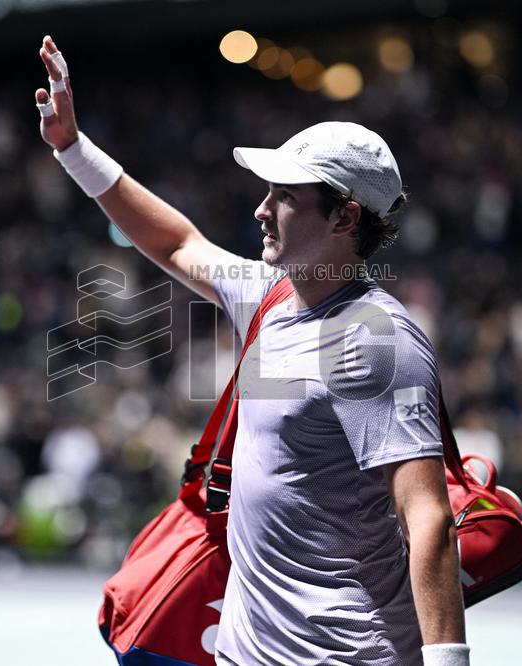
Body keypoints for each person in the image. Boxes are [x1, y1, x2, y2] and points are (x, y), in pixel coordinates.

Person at [35, 36, 469, 666]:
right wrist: (73, 148)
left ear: (346, 218)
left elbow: (428, 520)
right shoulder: (269, 295)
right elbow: (176, 243)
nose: (261, 210)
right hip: (246, 652)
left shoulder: (377, 341)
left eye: (285, 198)